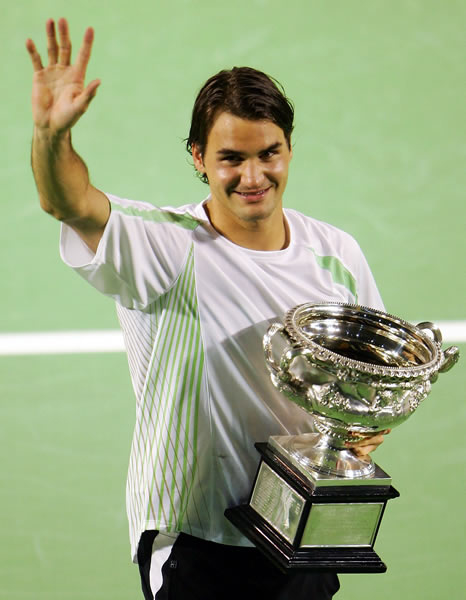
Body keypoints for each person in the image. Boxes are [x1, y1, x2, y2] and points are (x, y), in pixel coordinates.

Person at [26, 18, 390, 600]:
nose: (253, 176)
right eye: (231, 158)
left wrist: (359, 433)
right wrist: (51, 137)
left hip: (302, 532)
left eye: (269, 153)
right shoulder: (164, 246)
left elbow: (368, 380)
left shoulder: (336, 255)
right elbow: (68, 202)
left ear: (289, 149)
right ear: (198, 157)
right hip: (197, 540)